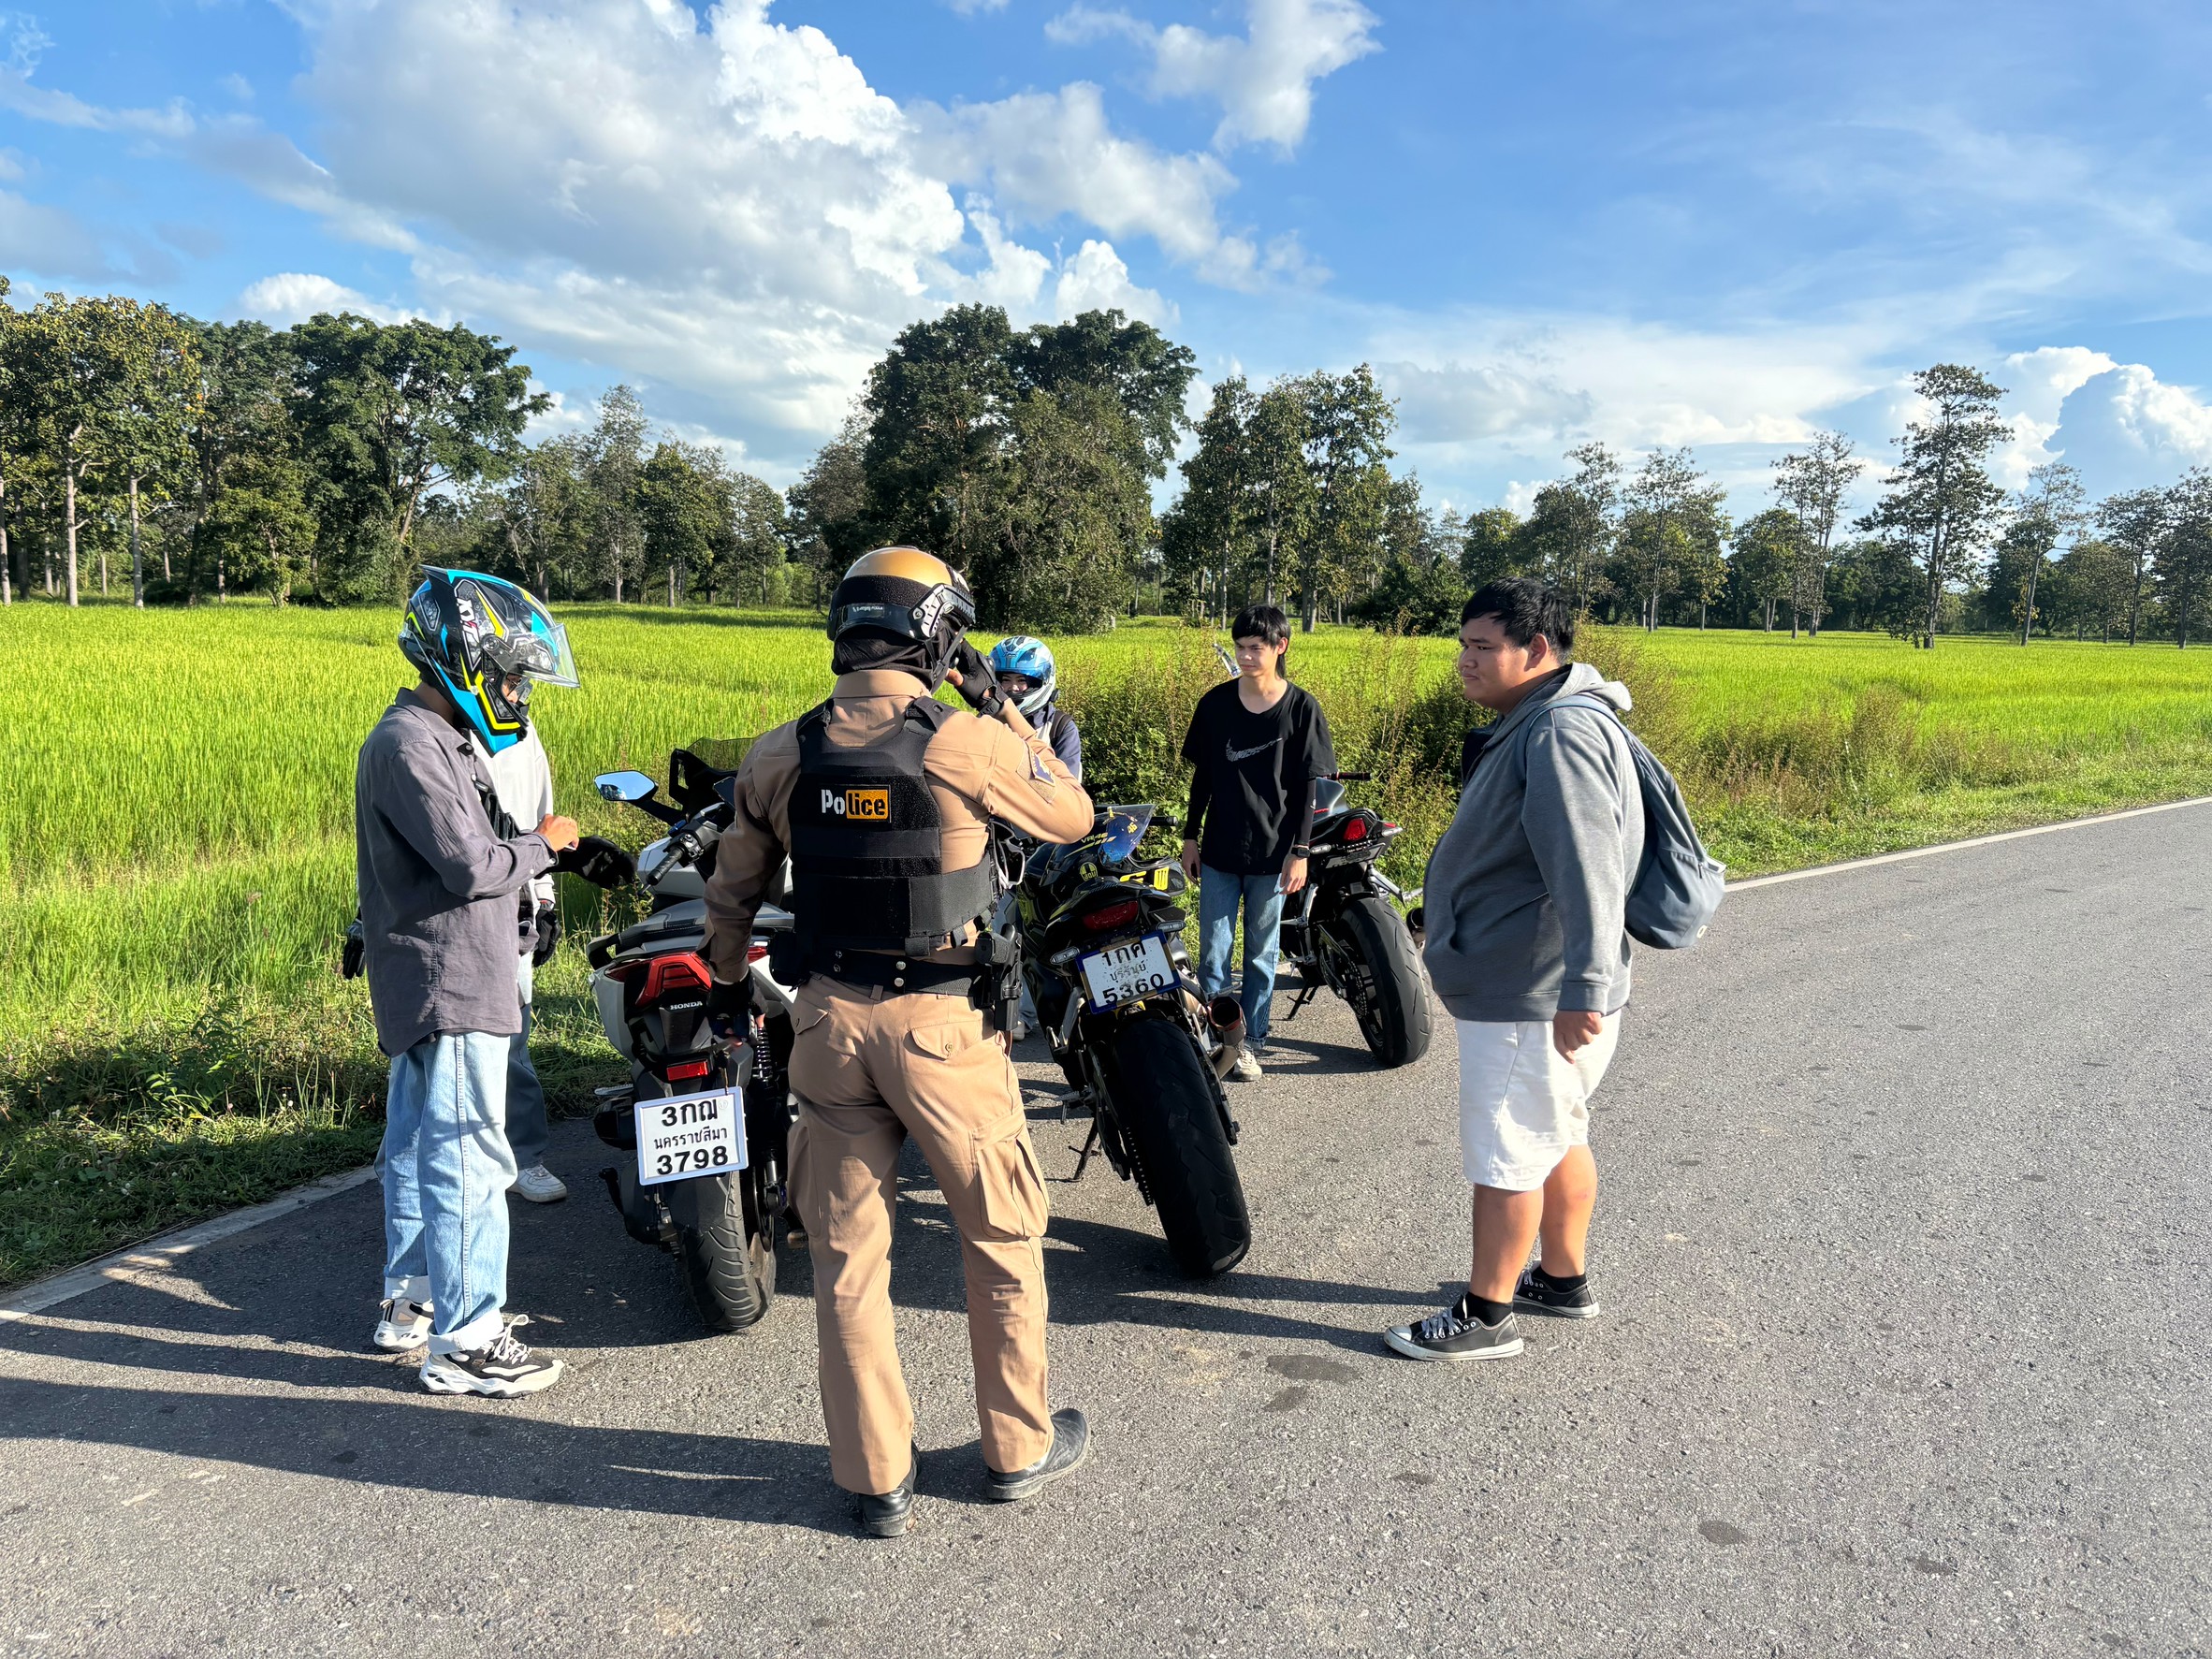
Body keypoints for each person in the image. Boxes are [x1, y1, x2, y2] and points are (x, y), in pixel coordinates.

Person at [701, 546, 1097, 1539]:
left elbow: (732, 897)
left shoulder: (780, 752)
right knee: (1001, 1238)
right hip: (944, 1031)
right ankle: (1015, 1446)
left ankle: (876, 1478)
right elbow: (1071, 813)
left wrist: (718, 979)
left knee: (846, 1261)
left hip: (830, 1026)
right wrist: (1003, 708)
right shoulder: (964, 743)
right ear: (937, 635)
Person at [1383, 577, 1645, 1362]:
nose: (1465, 661)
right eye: (1462, 645)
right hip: (1538, 982)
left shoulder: (1557, 732)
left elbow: (1589, 867)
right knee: (1556, 1132)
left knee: (1507, 1149)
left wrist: (1583, 989)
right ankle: (1562, 1279)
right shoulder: (1542, 720)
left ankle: (1486, 1314)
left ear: (1537, 650)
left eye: (1483, 647)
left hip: (1533, 994)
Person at [357, 567, 581, 1397]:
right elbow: (472, 863)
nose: (518, 690)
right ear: (461, 659)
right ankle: (468, 1338)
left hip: (447, 969)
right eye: (510, 672)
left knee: (417, 1149)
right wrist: (547, 843)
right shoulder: (411, 743)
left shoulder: (438, 739)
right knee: (469, 1157)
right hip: (451, 976)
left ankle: (412, 1304)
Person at [1177, 604, 1335, 1082]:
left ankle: (1254, 1040)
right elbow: (1203, 776)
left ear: (1280, 647)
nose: (1245, 657)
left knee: (1262, 953)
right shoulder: (1215, 704)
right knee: (1213, 951)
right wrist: (1189, 836)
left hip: (1276, 854)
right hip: (1220, 848)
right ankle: (1212, 1039)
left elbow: (1311, 787)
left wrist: (1301, 851)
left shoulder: (1302, 708)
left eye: (1256, 648)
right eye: (1241, 647)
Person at [476, 719, 568, 1204]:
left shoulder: (524, 735)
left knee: (513, 1039)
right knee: (434, 1051)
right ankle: (411, 1164)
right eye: (511, 678)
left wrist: (546, 900)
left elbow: (543, 818)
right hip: (462, 910)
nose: (517, 692)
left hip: (516, 907)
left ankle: (523, 1158)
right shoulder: (443, 734)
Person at [986, 635, 1082, 780]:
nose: (1013, 687)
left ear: (1038, 682)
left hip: (1043, 801)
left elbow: (1069, 786)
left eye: (1021, 680)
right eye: (1006, 680)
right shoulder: (988, 721)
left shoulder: (1059, 727)